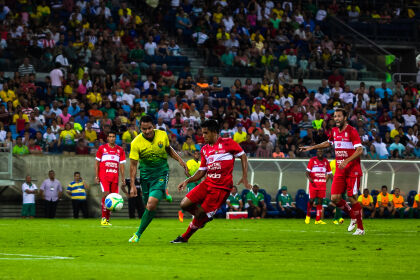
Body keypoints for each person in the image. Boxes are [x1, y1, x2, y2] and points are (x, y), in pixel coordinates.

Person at [170, 119, 251, 243]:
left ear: (214, 132)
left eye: (206, 133)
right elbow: (202, 172)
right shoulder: (204, 149)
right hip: (207, 183)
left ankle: (184, 237)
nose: (203, 136)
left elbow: (243, 156)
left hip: (221, 188)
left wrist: (245, 176)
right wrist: (187, 181)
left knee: (200, 214)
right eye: (202, 133)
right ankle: (204, 217)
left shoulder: (228, 143)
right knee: (184, 204)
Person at [300, 108, 365, 235]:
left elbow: (359, 150)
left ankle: (361, 229)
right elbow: (328, 143)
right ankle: (353, 216)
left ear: (345, 117)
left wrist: (347, 161)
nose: (337, 119)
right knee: (335, 198)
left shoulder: (352, 131)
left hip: (352, 169)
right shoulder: (334, 131)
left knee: (352, 197)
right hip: (341, 169)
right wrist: (311, 147)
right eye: (335, 116)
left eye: (339, 116)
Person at [128, 115, 189, 243]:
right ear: (140, 128)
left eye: (149, 128)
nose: (147, 131)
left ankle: (137, 234)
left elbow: (168, 149)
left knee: (151, 204)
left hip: (161, 173)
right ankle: (164, 194)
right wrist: (133, 185)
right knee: (149, 206)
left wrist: (180, 160)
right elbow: (133, 165)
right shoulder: (136, 143)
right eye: (144, 129)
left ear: (154, 126)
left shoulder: (162, 135)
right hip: (145, 177)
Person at [95, 131, 127, 226]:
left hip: (114, 177)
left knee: (112, 197)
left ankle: (107, 220)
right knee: (105, 194)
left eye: (113, 136)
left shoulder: (120, 150)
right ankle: (103, 218)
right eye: (110, 136)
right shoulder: (102, 148)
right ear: (107, 138)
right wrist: (97, 175)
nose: (112, 138)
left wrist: (123, 178)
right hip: (104, 176)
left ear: (115, 138)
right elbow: (97, 163)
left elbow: (121, 166)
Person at [305, 149, 333, 224]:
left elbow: (330, 174)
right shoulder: (312, 160)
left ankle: (318, 220)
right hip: (314, 184)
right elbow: (307, 172)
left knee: (320, 202)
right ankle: (308, 216)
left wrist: (334, 181)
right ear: (316, 153)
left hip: (322, 184)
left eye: (321, 151)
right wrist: (310, 178)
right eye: (318, 151)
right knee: (311, 200)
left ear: (323, 152)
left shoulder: (326, 162)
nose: (320, 152)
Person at [178, 150, 201, 222]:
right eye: (195, 154)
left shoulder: (201, 163)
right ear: (193, 155)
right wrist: (192, 178)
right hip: (191, 183)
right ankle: (181, 212)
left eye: (198, 154)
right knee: (191, 198)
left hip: (199, 183)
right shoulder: (189, 162)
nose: (197, 155)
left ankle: (198, 215)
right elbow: (186, 171)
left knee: (199, 198)